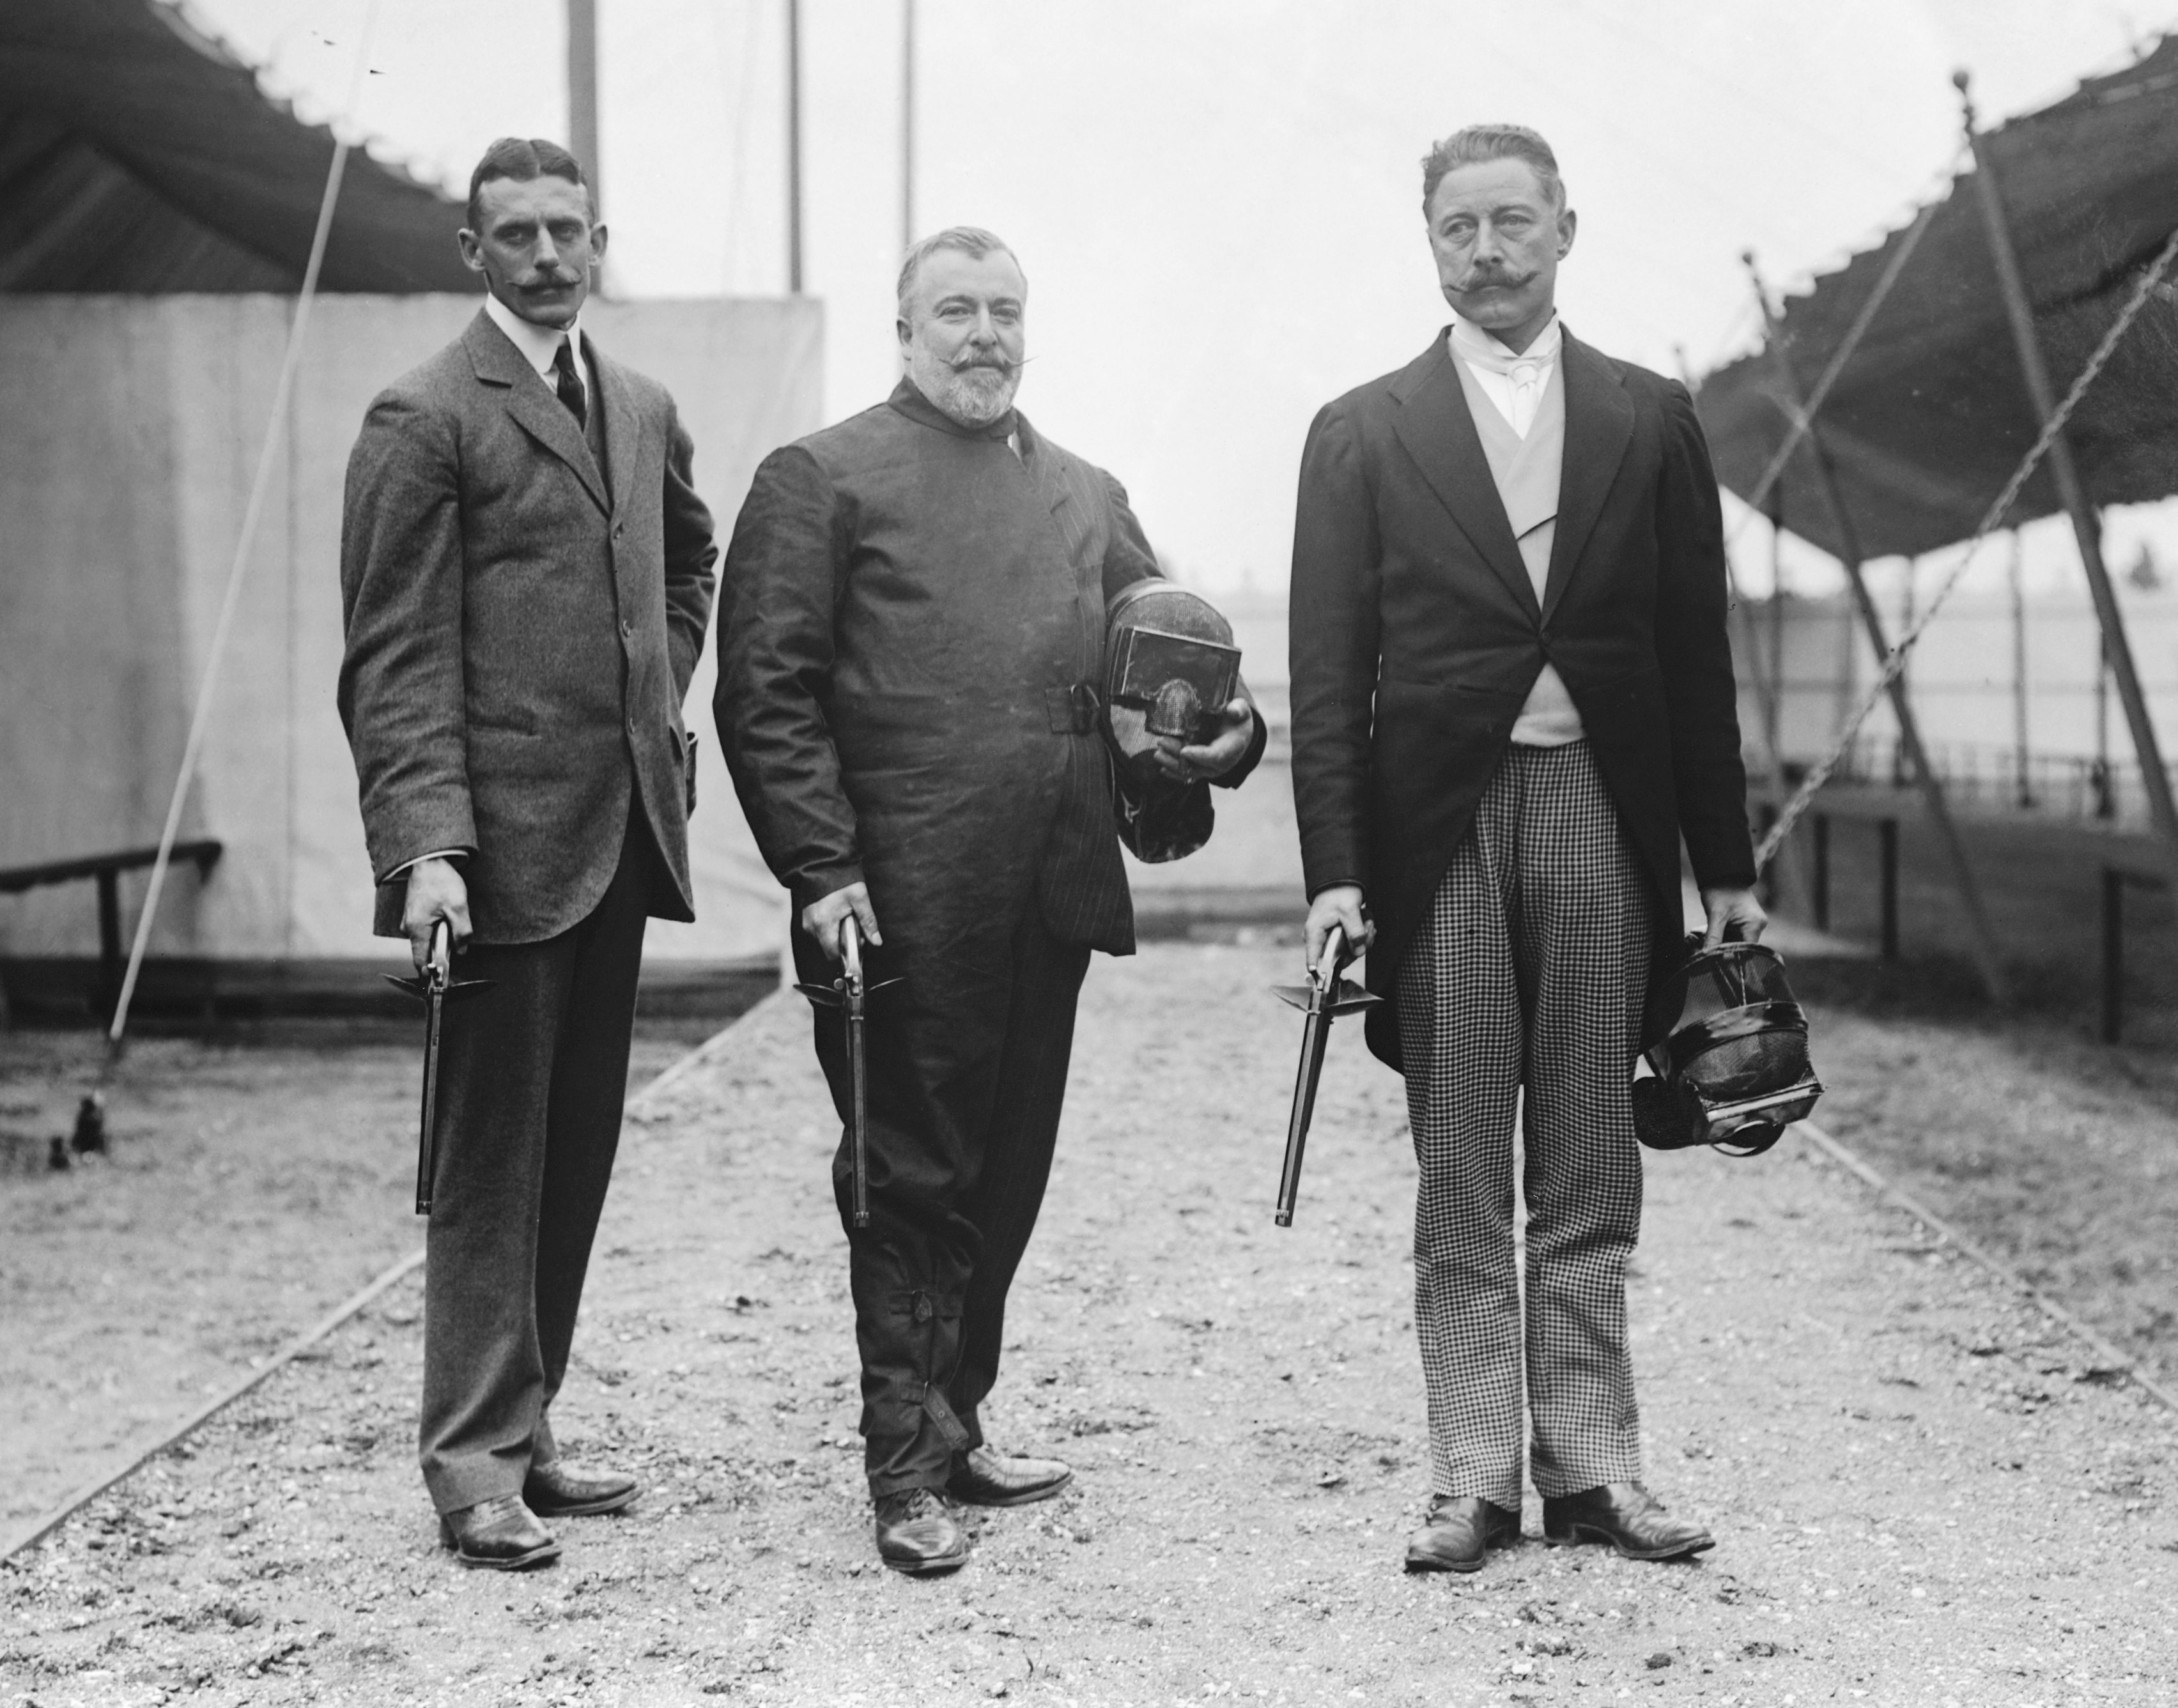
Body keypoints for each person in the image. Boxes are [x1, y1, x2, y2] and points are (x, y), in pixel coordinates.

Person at [714, 227, 1263, 1575]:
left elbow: (1177, 656)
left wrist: (1226, 737)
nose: (984, 334)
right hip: (895, 901)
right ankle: (903, 1471)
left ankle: (957, 1421)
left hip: (1048, 890)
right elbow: (764, 695)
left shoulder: (1083, 491)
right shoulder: (820, 478)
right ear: (904, 332)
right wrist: (822, 868)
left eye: (1005, 310)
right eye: (954, 310)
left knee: (1007, 1176)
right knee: (909, 1177)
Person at [1288, 125, 1764, 1575]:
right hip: (1436, 835)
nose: (1487, 251)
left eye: (1512, 221)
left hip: (1600, 815)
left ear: (1566, 227)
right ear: (1430, 243)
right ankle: (1471, 1475)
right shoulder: (1362, 430)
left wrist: (1727, 868)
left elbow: (1693, 654)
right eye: (1459, 227)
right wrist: (1336, 873)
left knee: (1589, 1147)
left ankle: (1596, 1465)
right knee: (1458, 1159)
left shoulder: (1650, 417)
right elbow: (1328, 677)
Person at [337, 137, 716, 1570]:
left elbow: (688, 557)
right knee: (490, 1168)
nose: (549, 255)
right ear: (473, 250)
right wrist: (427, 846)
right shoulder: (424, 412)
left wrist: (651, 692)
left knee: (576, 1156)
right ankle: (471, 1465)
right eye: (519, 233)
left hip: (621, 836)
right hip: (496, 855)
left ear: (599, 240)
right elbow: (391, 656)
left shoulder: (642, 402)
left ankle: (529, 1427)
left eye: (570, 230)